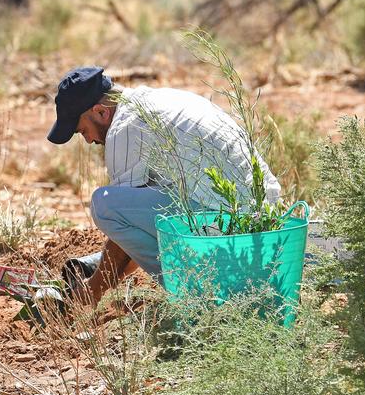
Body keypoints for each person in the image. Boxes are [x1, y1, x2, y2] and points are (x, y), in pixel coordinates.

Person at [46, 66, 282, 305]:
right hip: (267, 223)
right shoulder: (162, 98)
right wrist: (103, 269)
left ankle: (198, 294)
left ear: (100, 112)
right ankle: (212, 284)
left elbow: (124, 229)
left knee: (104, 205)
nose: (89, 140)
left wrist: (93, 291)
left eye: (82, 130)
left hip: (230, 229)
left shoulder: (124, 128)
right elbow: (140, 229)